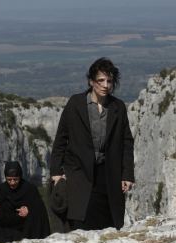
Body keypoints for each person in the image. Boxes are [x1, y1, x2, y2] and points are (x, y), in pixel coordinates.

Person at [50, 57, 135, 231]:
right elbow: (60, 139)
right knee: (81, 219)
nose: (105, 85)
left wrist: (127, 174)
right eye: (101, 81)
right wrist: (56, 172)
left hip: (108, 174)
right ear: (91, 81)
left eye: (109, 81)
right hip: (78, 173)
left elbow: (127, 142)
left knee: (109, 221)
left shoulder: (118, 107)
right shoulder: (76, 104)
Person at [0, 161, 50, 243]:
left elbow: (41, 211)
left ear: (20, 177)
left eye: (16, 179)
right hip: (3, 234)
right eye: (9, 179)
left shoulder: (30, 189)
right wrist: (17, 216)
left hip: (26, 233)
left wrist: (29, 210)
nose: (12, 182)